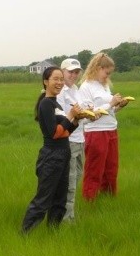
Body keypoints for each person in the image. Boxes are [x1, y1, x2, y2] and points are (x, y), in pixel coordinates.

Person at [21, 66, 83, 233]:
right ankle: (25, 233)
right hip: (51, 156)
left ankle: (53, 232)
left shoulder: (56, 103)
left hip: (63, 154)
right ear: (46, 81)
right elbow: (55, 134)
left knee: (60, 199)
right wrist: (70, 115)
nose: (60, 82)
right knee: (43, 199)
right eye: (56, 79)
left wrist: (76, 120)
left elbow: (65, 132)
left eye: (61, 79)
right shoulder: (46, 104)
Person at [78, 52, 130, 201]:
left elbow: (110, 111)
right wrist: (111, 103)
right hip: (95, 132)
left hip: (111, 129)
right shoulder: (86, 87)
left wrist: (119, 106)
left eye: (110, 73)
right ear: (98, 68)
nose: (108, 76)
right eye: (106, 73)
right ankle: (90, 198)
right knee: (95, 168)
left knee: (111, 168)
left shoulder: (104, 86)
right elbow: (88, 114)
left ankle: (109, 197)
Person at [56, 58, 85, 221]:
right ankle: (67, 219)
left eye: (76, 72)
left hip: (80, 138)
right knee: (70, 182)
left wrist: (91, 115)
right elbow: (60, 118)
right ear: (62, 72)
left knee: (77, 176)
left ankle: (64, 212)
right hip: (68, 140)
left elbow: (80, 115)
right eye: (70, 72)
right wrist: (76, 115)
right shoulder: (60, 92)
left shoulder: (75, 89)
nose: (74, 75)